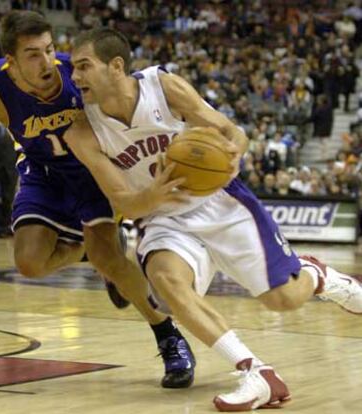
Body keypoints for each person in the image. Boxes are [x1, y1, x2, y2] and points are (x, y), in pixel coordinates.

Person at [63, 28, 362, 412]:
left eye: (85, 67)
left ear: (116, 66)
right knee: (167, 282)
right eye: (74, 69)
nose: (75, 77)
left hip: (220, 203)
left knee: (283, 299)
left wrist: (232, 154)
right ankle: (255, 372)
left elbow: (229, 131)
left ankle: (319, 277)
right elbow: (125, 202)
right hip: (162, 219)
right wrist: (154, 194)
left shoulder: (163, 86)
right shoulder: (82, 131)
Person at [0, 11, 195, 389]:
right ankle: (88, 252)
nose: (47, 62)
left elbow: (129, 103)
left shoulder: (79, 75)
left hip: (91, 171)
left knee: (107, 256)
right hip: (41, 173)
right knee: (29, 263)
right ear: (10, 60)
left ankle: (167, 334)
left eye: (49, 49)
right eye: (33, 54)